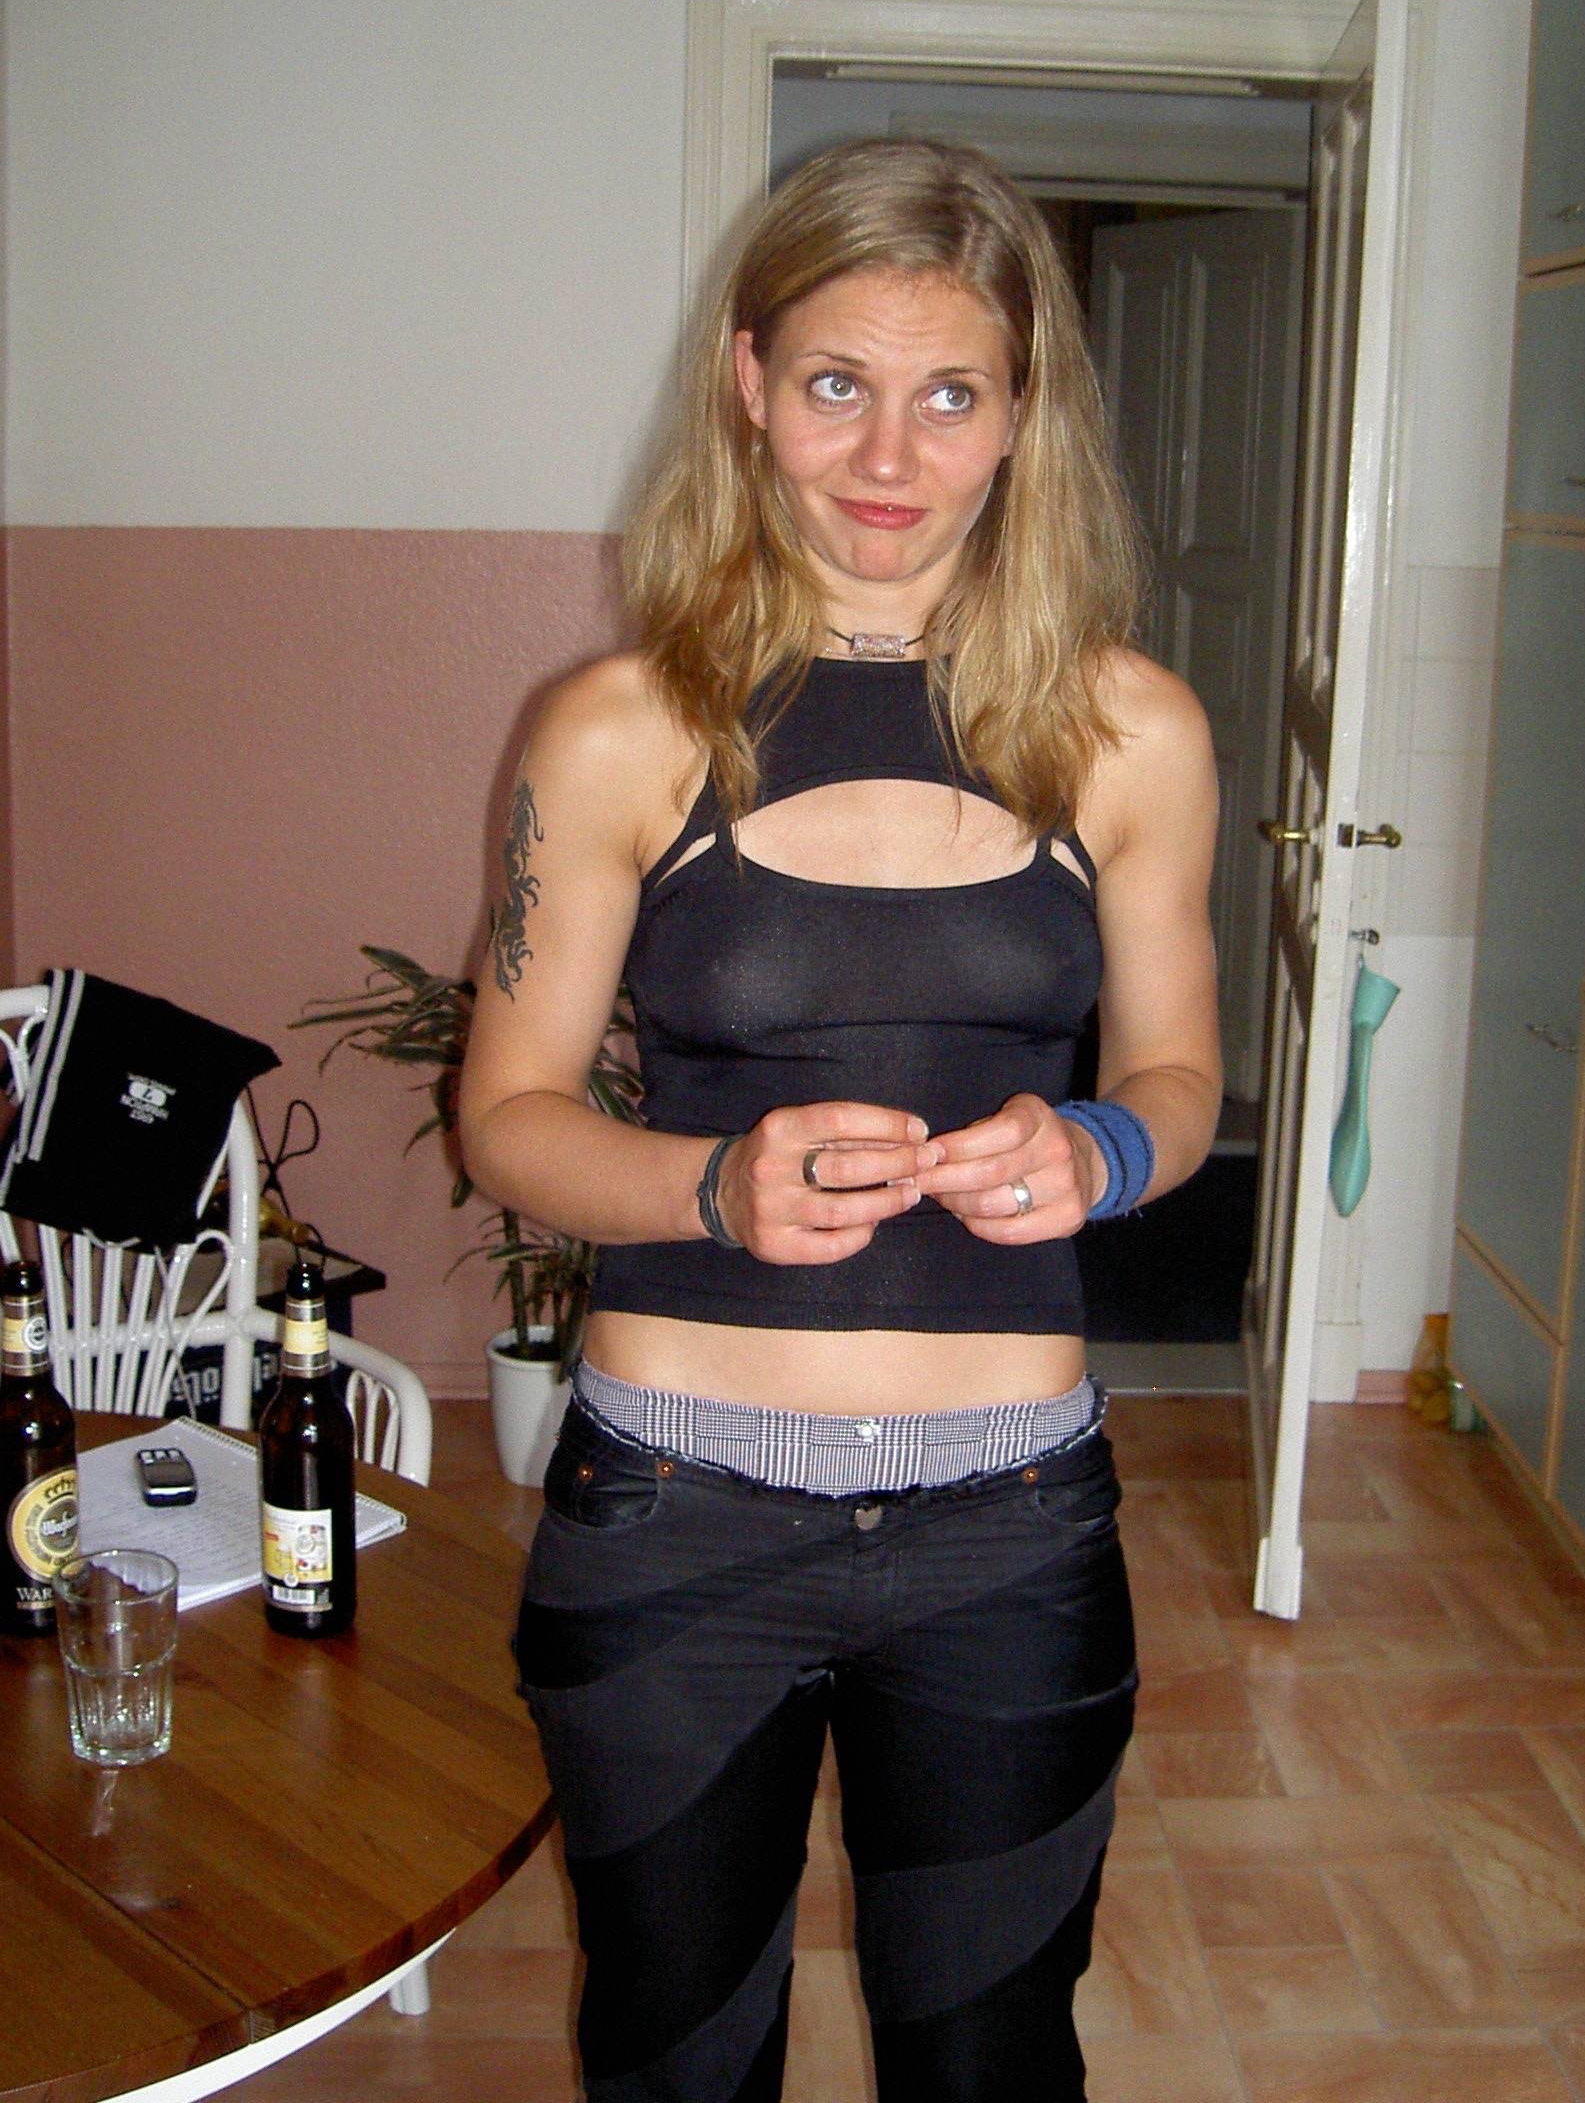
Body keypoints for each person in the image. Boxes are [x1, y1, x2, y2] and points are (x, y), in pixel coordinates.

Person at [458, 137, 1221, 2103]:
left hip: (1010, 1524)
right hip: (673, 1512)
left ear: (1025, 412)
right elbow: (510, 1118)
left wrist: (1098, 1153)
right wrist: (712, 1182)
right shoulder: (619, 728)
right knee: (677, 2058)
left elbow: (1179, 1083)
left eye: (952, 394)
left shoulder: (1131, 729)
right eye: (835, 385)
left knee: (990, 2061)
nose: (890, 457)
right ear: (748, 382)